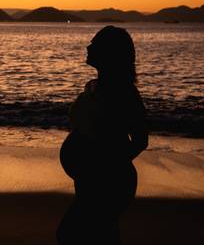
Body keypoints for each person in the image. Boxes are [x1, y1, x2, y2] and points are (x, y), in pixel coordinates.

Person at [57, 26, 148, 244]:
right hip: (88, 180)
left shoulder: (123, 92)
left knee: (71, 234)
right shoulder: (95, 86)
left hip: (108, 182)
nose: (89, 46)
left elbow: (141, 139)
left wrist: (105, 166)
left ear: (109, 53)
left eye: (95, 43)